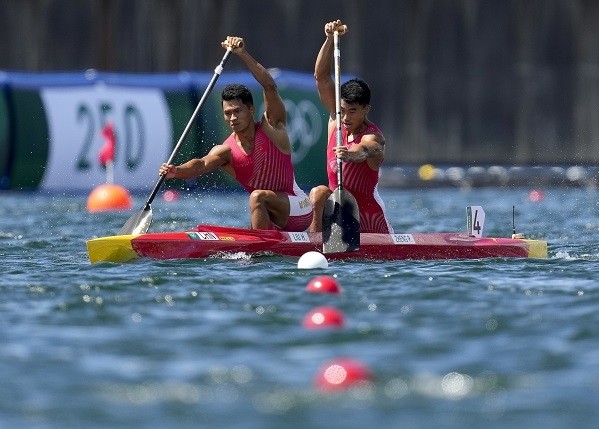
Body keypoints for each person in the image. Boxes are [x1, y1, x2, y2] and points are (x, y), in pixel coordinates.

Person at [160, 36, 312, 231]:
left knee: (257, 196)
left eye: (237, 111)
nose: (232, 118)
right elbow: (200, 165)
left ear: (251, 110)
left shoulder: (272, 127)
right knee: (258, 202)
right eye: (227, 113)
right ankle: (258, 247)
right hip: (269, 214)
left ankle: (258, 251)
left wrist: (242, 54)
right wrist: (177, 171)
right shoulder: (225, 151)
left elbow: (270, 86)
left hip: (299, 209)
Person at [309, 19, 393, 234]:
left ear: (367, 109)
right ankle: (313, 240)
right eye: (342, 110)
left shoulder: (374, 137)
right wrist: (329, 39)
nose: (345, 118)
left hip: (370, 222)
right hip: (337, 215)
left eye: (352, 111)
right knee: (319, 193)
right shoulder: (336, 119)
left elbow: (364, 151)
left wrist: (350, 154)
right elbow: (321, 77)